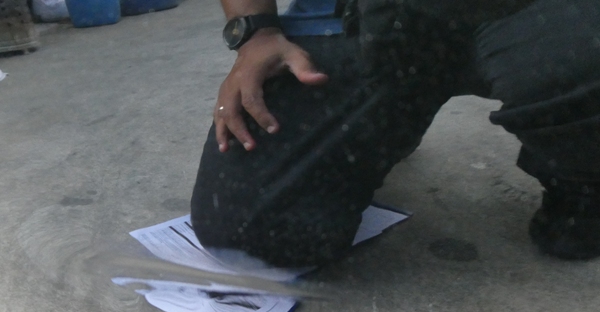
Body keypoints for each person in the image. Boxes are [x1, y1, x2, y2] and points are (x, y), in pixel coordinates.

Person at [190, 0, 600, 268]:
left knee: (577, 57)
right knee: (247, 234)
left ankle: (582, 184)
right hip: (360, 18)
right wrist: (256, 34)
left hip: (527, 11)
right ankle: (394, 114)